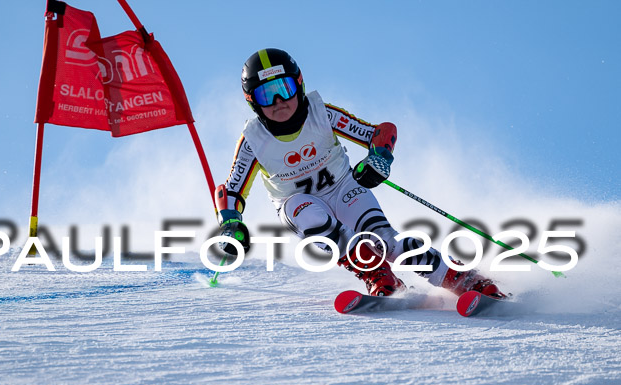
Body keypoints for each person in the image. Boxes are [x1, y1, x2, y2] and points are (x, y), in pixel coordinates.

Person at [215, 48, 505, 299]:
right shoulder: (253, 140)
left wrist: (379, 160)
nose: (279, 101)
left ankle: (462, 279)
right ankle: (379, 275)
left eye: (285, 88)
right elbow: (231, 191)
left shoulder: (323, 115)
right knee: (310, 215)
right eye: (267, 94)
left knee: (387, 242)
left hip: (344, 188)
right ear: (253, 101)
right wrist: (231, 225)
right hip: (297, 201)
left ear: (299, 86)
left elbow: (381, 133)